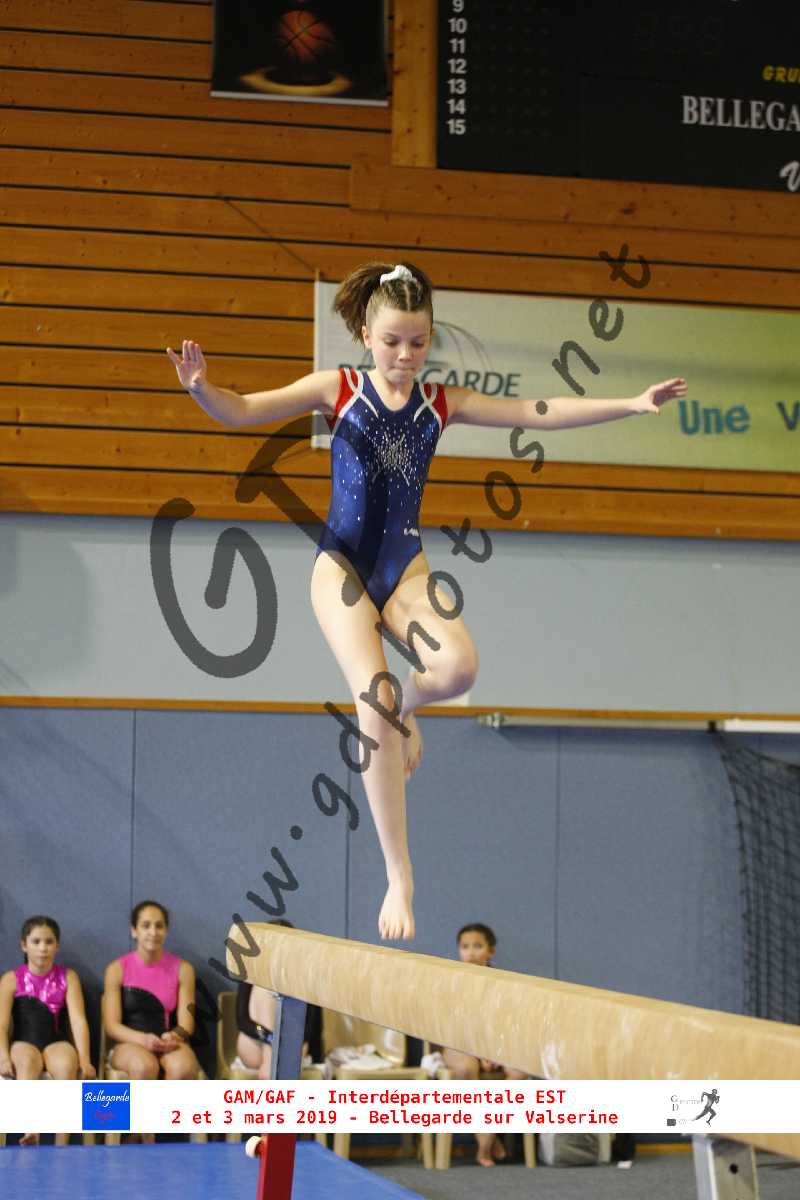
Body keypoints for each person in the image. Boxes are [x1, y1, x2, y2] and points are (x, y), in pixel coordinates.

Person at [167, 261, 686, 942]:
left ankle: (407, 712)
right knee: (374, 698)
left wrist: (631, 404)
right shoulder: (337, 389)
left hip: (404, 567)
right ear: (365, 335)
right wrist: (202, 388)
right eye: (391, 342)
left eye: (417, 342)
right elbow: (241, 410)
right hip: (341, 567)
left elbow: (538, 411)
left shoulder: (440, 403)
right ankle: (399, 873)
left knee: (458, 669)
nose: (405, 355)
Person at [0, 914, 95, 1146]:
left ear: (57, 945)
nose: (43, 948)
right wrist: (2, 1056)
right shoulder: (11, 979)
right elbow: (1, 1024)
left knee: (66, 1063)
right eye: (36, 942)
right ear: (24, 945)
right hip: (23, 1042)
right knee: (26, 1061)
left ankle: (62, 1142)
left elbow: (78, 1020)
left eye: (49, 942)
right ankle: (31, 1129)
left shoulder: (68, 977)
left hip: (55, 1041)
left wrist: (85, 1059)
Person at [440, 923, 527, 1167]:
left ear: (491, 951)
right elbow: (452, 1025)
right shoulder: (450, 981)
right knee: (465, 1070)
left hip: (497, 1045)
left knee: (519, 1073)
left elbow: (508, 1023)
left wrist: (494, 1051)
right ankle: (487, 1142)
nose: (471, 952)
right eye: (465, 946)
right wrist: (479, 1053)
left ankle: (487, 1136)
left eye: (478, 946)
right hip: (459, 1043)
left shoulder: (503, 984)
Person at [103, 900, 200, 1083]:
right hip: (128, 1043)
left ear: (166, 930)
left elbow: (186, 1024)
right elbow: (111, 1025)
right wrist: (142, 1040)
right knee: (144, 1067)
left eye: (159, 926)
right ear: (134, 931)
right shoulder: (116, 969)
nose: (153, 932)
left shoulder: (184, 969)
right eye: (146, 926)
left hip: (166, 1041)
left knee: (183, 1068)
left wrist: (172, 1036)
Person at [235, 920, 322, 1078]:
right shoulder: (251, 972)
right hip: (258, 1042)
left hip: (293, 1044)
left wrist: (284, 1039)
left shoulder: (304, 978)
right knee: (265, 987)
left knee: (277, 989)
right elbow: (242, 1020)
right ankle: (271, 1061)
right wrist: (271, 1038)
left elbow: (311, 1029)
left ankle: (272, 1066)